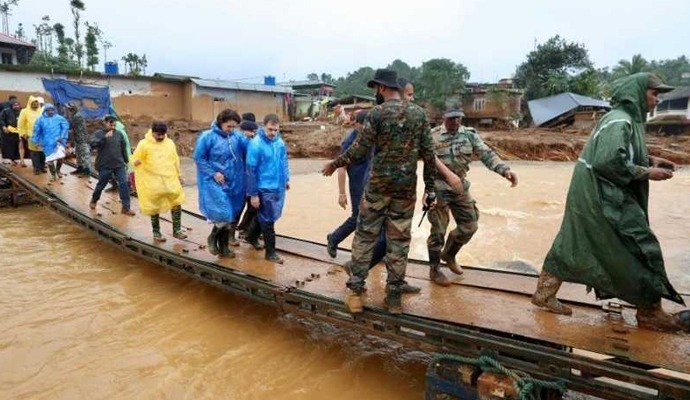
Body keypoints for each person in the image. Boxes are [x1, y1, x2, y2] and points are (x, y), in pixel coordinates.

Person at [531, 73, 690, 333]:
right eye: (654, 93)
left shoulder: (621, 119)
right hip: (603, 192)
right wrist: (646, 173)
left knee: (573, 238)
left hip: (589, 188)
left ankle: (543, 294)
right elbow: (608, 162)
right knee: (640, 246)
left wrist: (651, 161)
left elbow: (620, 152)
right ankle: (650, 312)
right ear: (637, 93)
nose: (657, 99)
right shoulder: (621, 121)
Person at [321, 69, 437, 314]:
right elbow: (429, 155)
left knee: (365, 237)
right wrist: (431, 190)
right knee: (399, 242)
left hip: (377, 189)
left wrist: (335, 164)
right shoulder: (419, 115)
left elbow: (360, 150)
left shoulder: (376, 114)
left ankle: (355, 294)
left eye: (376, 89)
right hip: (405, 190)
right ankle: (393, 298)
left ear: (382, 88)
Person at [426, 108, 518, 285]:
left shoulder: (468, 135)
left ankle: (449, 254)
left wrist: (504, 170)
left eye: (459, 118)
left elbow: (486, 153)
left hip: (460, 187)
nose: (456, 122)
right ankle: (435, 270)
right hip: (438, 188)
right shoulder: (432, 135)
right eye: (452, 118)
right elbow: (427, 158)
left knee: (470, 225)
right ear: (444, 117)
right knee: (438, 231)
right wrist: (446, 177)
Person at [193, 109, 247, 257]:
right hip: (214, 181)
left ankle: (224, 248)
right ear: (220, 123)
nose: (231, 129)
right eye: (228, 126)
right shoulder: (207, 137)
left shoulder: (237, 137)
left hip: (235, 181)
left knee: (231, 216)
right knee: (224, 213)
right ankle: (212, 237)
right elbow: (199, 158)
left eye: (234, 126)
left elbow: (250, 150)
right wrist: (213, 173)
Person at [245, 114, 290, 264]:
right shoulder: (256, 144)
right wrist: (253, 194)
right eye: (270, 129)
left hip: (277, 185)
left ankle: (251, 236)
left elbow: (284, 162)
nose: (273, 133)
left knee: (266, 215)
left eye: (276, 130)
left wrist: (286, 179)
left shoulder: (279, 143)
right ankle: (270, 253)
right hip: (263, 187)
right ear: (263, 126)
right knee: (268, 220)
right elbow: (250, 170)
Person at [132, 122, 187, 242]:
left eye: (163, 134)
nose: (161, 137)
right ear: (152, 132)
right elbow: (135, 158)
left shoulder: (170, 143)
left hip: (170, 179)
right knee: (154, 207)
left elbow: (175, 160)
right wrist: (136, 162)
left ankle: (177, 230)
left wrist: (179, 175)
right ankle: (156, 232)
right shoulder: (144, 144)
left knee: (176, 202)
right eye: (158, 135)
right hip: (153, 182)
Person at [89, 115, 135, 216]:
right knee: (101, 184)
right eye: (110, 122)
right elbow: (92, 144)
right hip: (105, 164)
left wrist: (126, 161)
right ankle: (94, 199)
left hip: (119, 164)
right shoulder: (99, 133)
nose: (112, 125)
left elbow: (123, 148)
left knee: (124, 184)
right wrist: (104, 139)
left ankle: (126, 208)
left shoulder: (119, 134)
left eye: (114, 123)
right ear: (104, 122)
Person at [236, 112, 260, 240]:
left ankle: (244, 229)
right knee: (241, 207)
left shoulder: (255, 142)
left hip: (251, 180)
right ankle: (240, 229)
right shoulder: (238, 141)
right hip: (242, 179)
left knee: (252, 207)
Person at [32, 103, 70, 182]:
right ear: (45, 111)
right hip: (47, 143)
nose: (51, 112)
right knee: (49, 160)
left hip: (58, 142)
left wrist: (62, 136)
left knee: (60, 157)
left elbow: (65, 127)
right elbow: (36, 131)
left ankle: (58, 171)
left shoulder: (59, 118)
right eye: (48, 110)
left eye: (52, 110)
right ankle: (53, 175)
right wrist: (36, 141)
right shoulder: (40, 120)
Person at [65, 102, 92, 177]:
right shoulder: (75, 115)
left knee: (84, 155)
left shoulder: (77, 116)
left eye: (70, 109)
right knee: (79, 155)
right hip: (78, 138)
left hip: (82, 139)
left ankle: (87, 172)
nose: (69, 111)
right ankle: (80, 168)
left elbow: (71, 126)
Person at [18, 96, 44, 173]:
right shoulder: (25, 111)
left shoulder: (41, 111)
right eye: (34, 104)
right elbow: (21, 123)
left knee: (42, 152)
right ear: (30, 104)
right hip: (31, 135)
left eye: (37, 104)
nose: (36, 105)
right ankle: (36, 168)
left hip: (42, 135)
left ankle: (42, 167)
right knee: (34, 152)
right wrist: (23, 133)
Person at [0, 99, 22, 165]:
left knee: (16, 146)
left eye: (18, 105)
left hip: (17, 132)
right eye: (15, 105)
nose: (17, 106)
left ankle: (14, 159)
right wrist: (3, 127)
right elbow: (1, 119)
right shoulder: (5, 111)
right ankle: (9, 160)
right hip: (8, 132)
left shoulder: (21, 111)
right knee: (9, 146)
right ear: (11, 105)